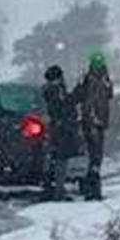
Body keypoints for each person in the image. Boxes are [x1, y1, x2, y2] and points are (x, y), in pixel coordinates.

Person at [75, 51, 114, 200]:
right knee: (95, 156)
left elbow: (108, 94)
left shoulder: (97, 78)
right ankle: (92, 188)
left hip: (94, 121)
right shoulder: (96, 78)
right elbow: (108, 95)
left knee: (93, 156)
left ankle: (91, 187)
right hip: (93, 121)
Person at [42, 65, 78, 201]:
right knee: (61, 160)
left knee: (54, 159)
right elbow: (65, 106)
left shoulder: (49, 91)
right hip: (60, 130)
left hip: (56, 129)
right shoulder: (56, 91)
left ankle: (52, 188)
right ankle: (58, 190)